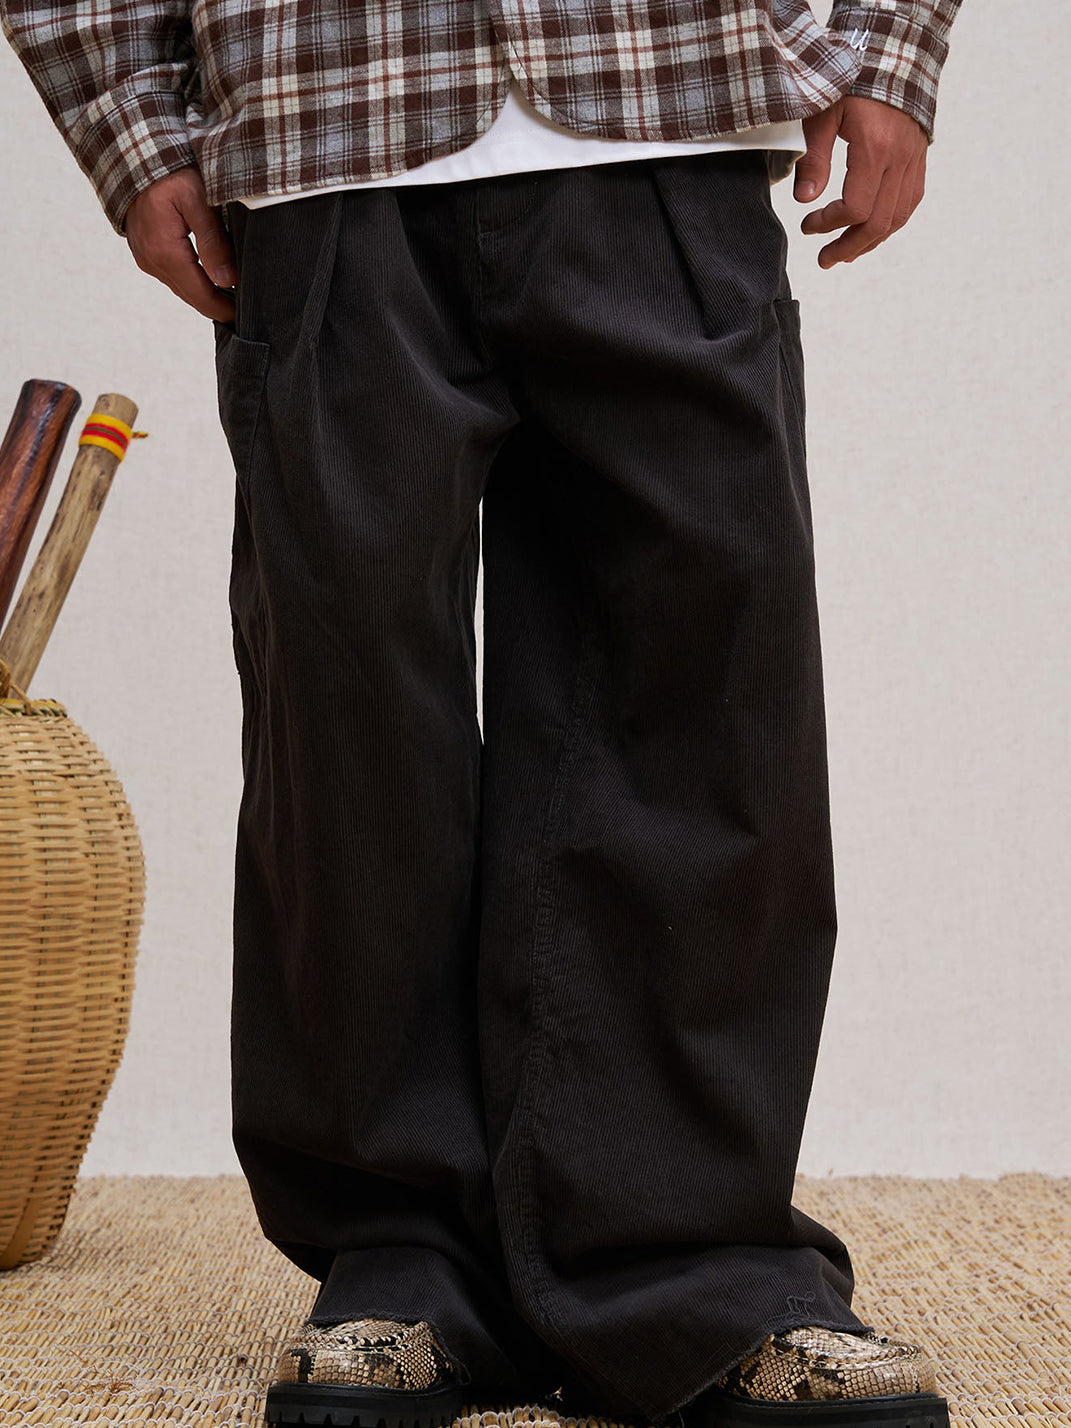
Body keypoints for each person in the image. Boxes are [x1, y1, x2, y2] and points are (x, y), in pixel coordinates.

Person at [1, 1, 963, 1425]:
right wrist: (132, 125)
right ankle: (402, 1258)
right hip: (324, 128)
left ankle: (690, 1262)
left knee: (704, 700)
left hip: (665, 111)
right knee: (351, 726)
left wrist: (889, 50)